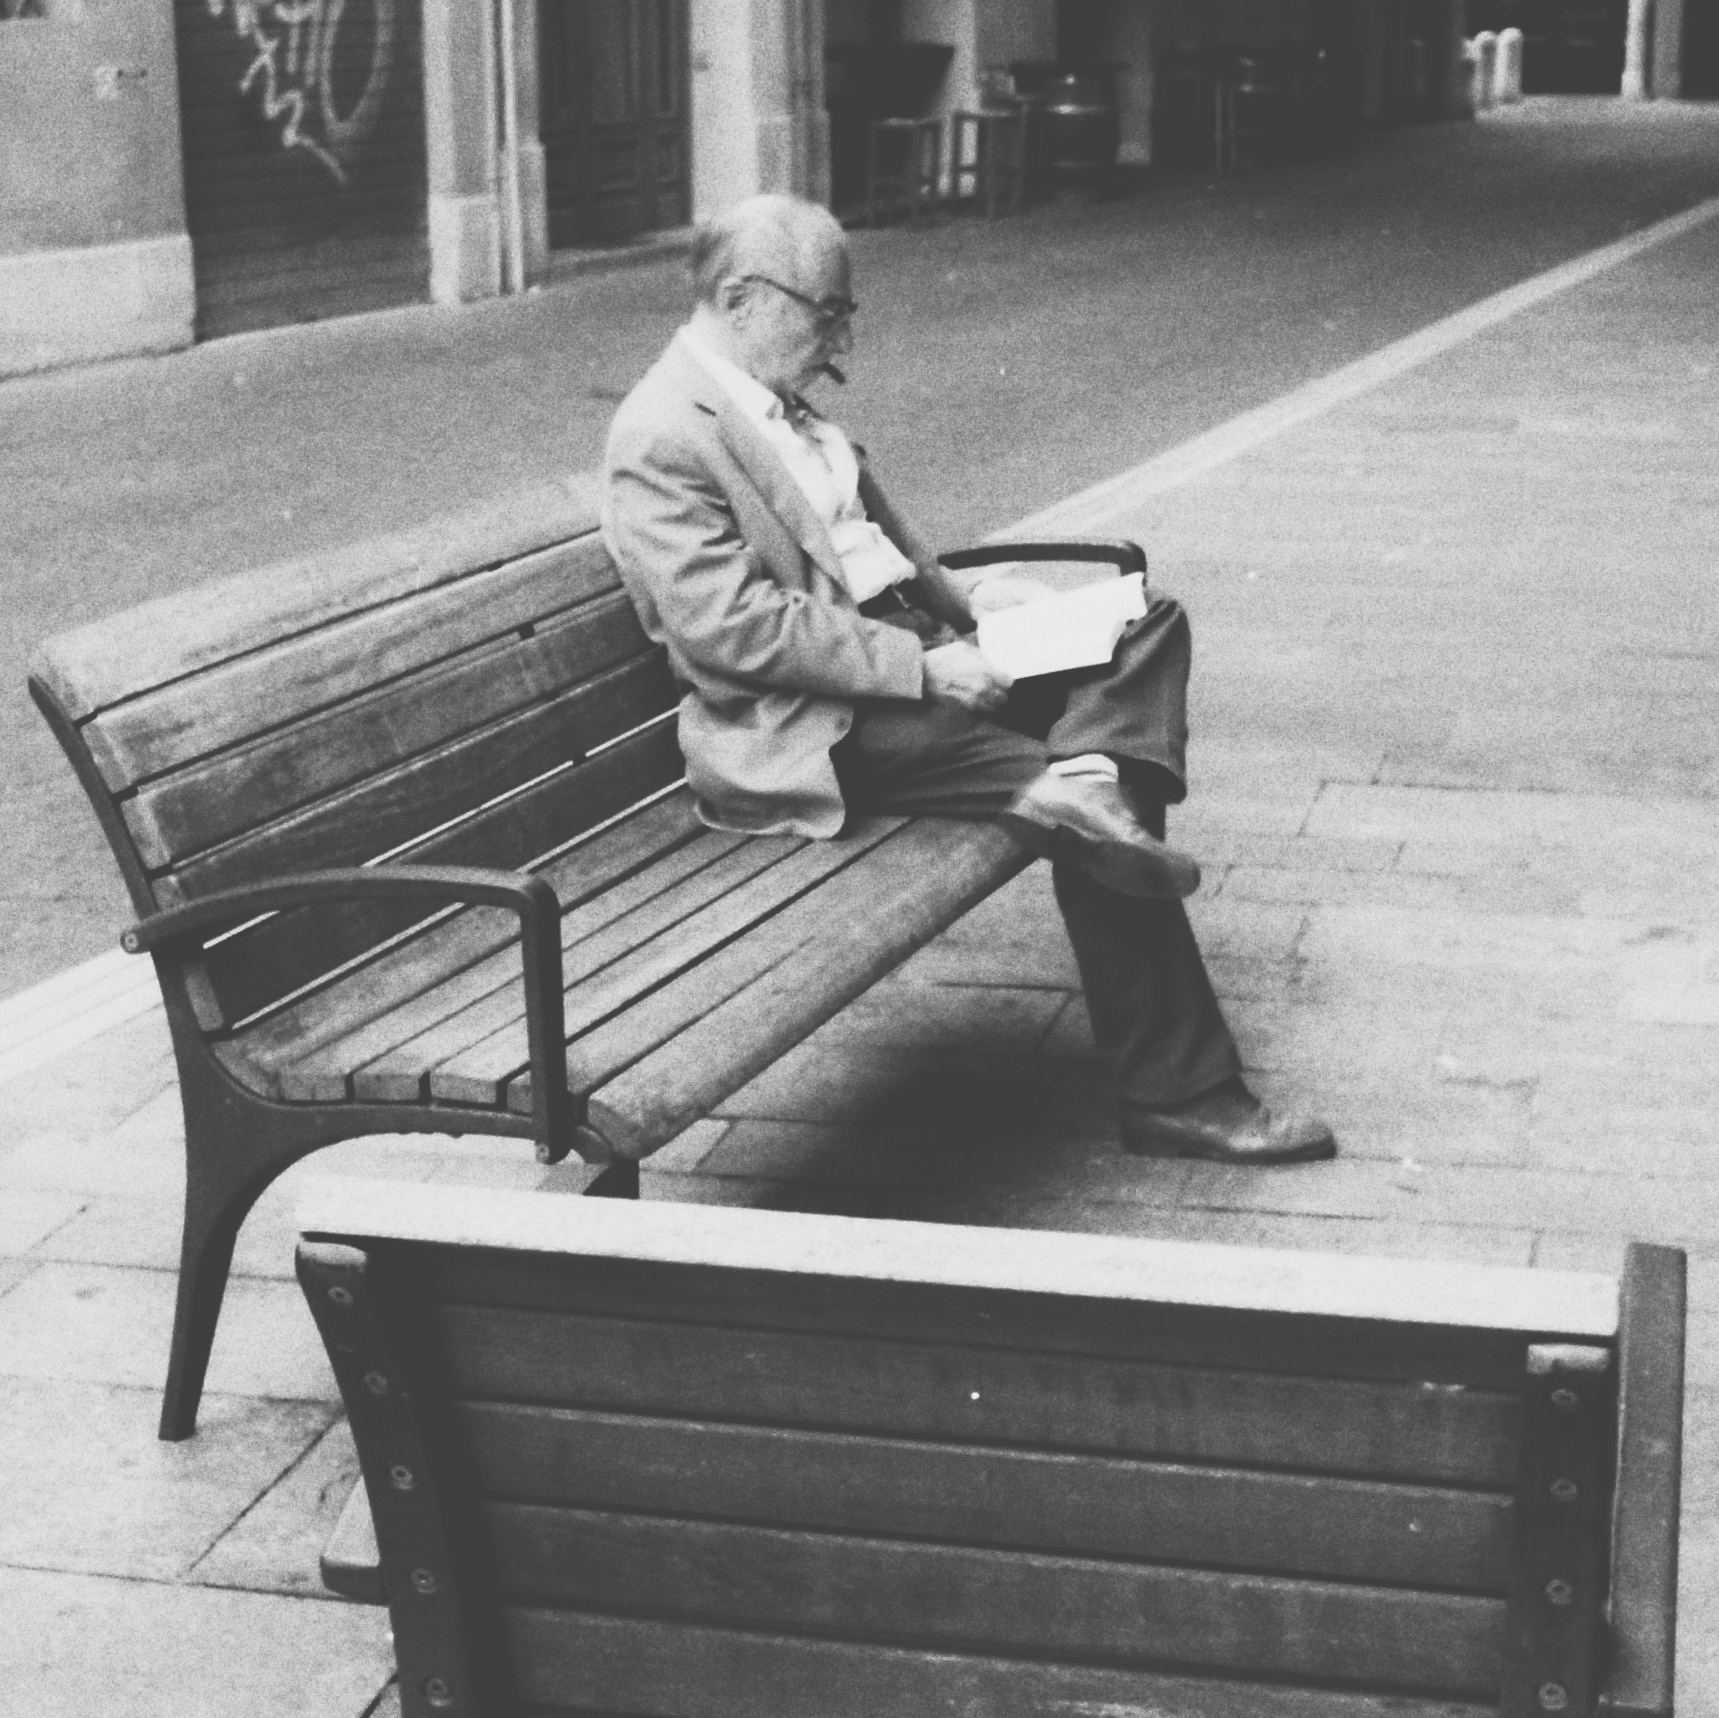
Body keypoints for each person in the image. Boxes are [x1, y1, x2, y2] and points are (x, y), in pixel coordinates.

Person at [602, 193, 1334, 1164]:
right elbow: (728, 631)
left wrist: (972, 602)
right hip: (824, 718)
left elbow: (865, 546)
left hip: (918, 659)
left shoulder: (770, 391)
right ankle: (1181, 1086)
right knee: (1070, 782)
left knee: (1138, 623)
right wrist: (923, 666)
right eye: (827, 311)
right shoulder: (663, 434)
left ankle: (1090, 788)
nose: (842, 335)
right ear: (741, 298)